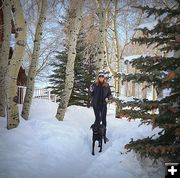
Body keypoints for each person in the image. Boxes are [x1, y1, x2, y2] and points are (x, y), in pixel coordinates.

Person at [89, 72, 112, 141]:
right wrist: (90, 90)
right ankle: (96, 134)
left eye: (102, 76)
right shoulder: (94, 85)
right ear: (98, 78)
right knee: (98, 119)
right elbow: (91, 94)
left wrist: (108, 98)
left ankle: (104, 135)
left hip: (103, 104)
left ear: (104, 77)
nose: (101, 77)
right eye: (100, 76)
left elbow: (110, 94)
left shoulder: (106, 85)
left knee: (103, 119)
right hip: (96, 104)